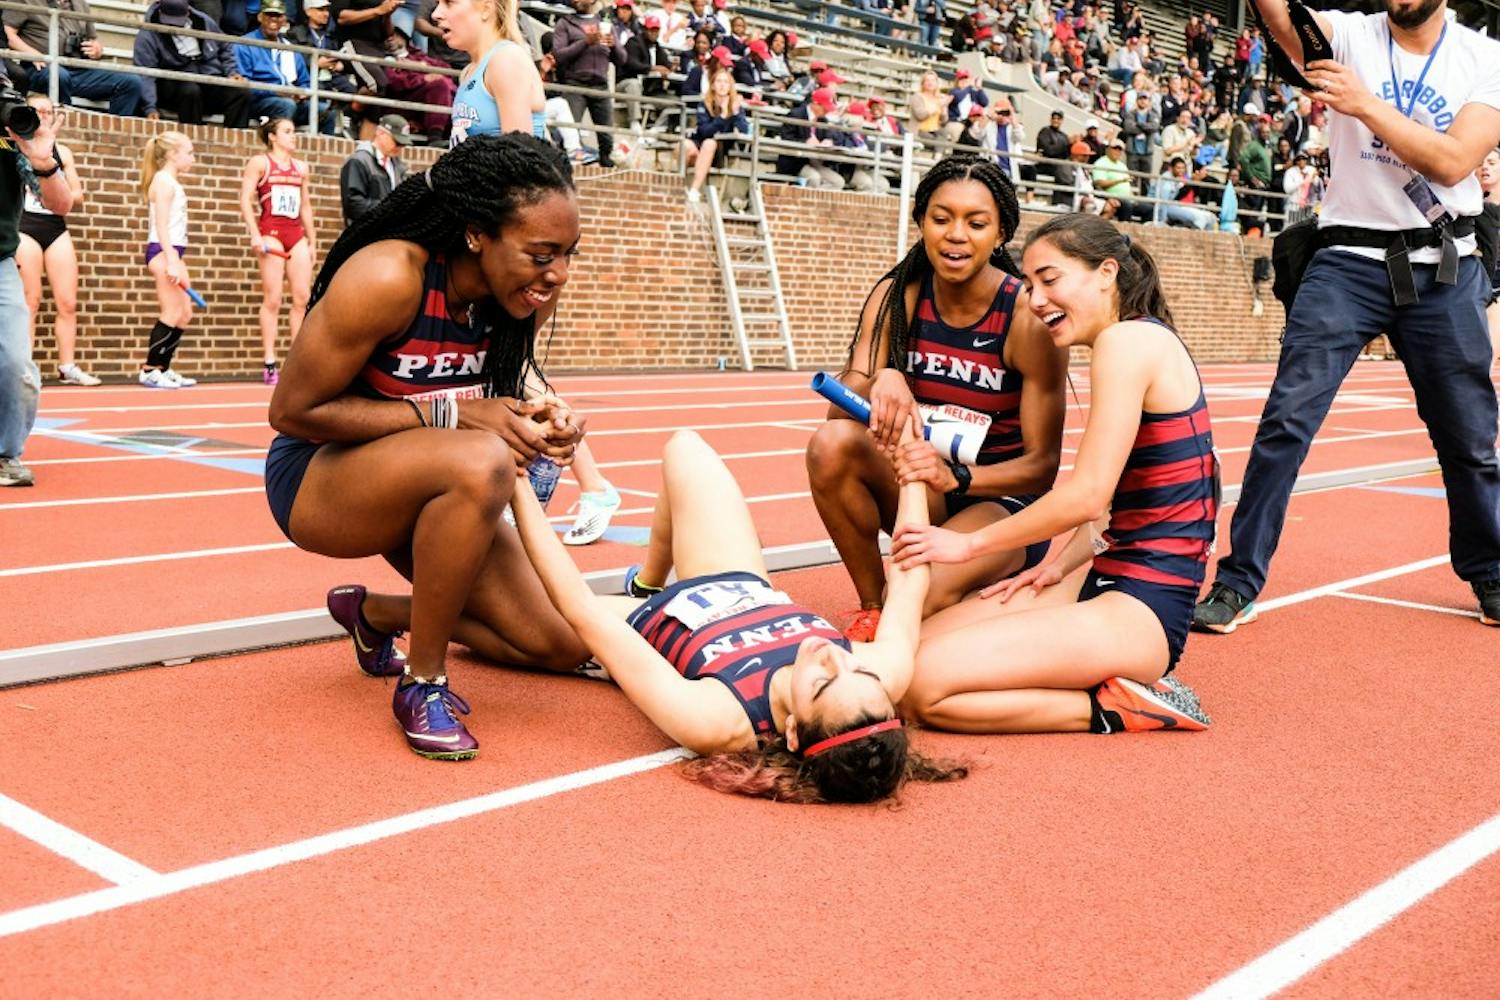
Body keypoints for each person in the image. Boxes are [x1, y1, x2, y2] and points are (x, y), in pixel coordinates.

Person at [266, 134, 590, 760]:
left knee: (560, 644)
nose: (558, 274)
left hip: (438, 476)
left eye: (568, 254)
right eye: (541, 254)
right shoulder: (389, 276)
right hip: (320, 480)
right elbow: (292, 412)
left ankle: (376, 615)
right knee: (482, 459)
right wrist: (453, 415)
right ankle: (423, 682)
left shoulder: (524, 296)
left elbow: (486, 397)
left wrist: (539, 417)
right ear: (476, 235)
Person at [1196, 0, 1500, 631]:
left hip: (1443, 266)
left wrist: (1362, 103)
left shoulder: (1486, 58)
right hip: (1347, 260)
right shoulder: (1349, 34)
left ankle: (1491, 570)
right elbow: (1283, 19)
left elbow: (1452, 160)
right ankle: (1238, 581)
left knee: (1469, 439)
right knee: (1286, 422)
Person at [511, 426, 967, 804]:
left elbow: (582, 609)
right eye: (857, 668)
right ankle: (648, 578)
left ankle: (633, 596)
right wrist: (911, 468)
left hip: (631, 623)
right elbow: (908, 575)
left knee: (485, 589)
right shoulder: (879, 683)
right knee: (686, 448)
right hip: (736, 581)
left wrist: (520, 482)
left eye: (822, 683)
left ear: (793, 732)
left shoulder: (718, 720)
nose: (832, 655)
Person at [890, 214, 1215, 737]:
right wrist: (1057, 569)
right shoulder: (1137, 341)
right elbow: (1134, 499)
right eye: (1029, 284)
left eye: (1050, 279)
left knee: (921, 688)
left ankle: (1120, 707)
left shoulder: (1127, 342)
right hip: (1101, 579)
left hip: (1140, 608)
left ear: (1106, 273)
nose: (1036, 299)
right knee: (908, 654)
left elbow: (1088, 496)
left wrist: (968, 546)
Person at [806, 154, 1068, 642]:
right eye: (941, 218)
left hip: (999, 501)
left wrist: (959, 477)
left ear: (1001, 233)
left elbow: (1042, 468)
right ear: (922, 222)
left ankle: (967, 592)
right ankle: (872, 605)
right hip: (924, 485)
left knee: (920, 600)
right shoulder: (897, 295)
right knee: (832, 444)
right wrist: (883, 376)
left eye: (976, 223)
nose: (956, 235)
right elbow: (837, 412)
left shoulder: (1024, 317)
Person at [440, 0, 622, 545]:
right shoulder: (472, 71)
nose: (438, 13)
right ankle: (579, 483)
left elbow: (523, 171)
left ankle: (577, 482)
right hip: (485, 246)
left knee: (512, 364)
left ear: (485, 6)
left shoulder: (506, 62)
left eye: (449, 1)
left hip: (514, 253)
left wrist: (510, 256)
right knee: (509, 366)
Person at [2, 82, 70, 487]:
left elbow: (60, 204)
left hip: (0, 261)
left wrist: (43, 161)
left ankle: (5, 453)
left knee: (15, 365)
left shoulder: (11, 135)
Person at [15, 95, 95, 387]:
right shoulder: (15, 146)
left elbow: (77, 196)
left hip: (55, 226)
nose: (45, 116)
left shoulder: (62, 151)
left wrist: (51, 190)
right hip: (26, 225)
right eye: (39, 111)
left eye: (49, 111)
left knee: (68, 301)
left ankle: (68, 366)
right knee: (31, 299)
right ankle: (24, 367)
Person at [241, 118, 316, 386]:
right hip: (270, 233)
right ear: (272, 136)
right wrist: (254, 234)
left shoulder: (301, 168)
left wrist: (312, 240)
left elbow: (305, 205)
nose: (293, 136)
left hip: (295, 234)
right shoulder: (260, 163)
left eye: (294, 131)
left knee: (302, 297)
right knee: (273, 298)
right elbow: (245, 199)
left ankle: (297, 361)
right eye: (287, 132)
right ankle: (270, 361)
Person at [2, 0, 143, 117]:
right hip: (40, 68)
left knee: (131, 82)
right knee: (59, 76)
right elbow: (7, 34)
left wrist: (96, 49)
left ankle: (114, 135)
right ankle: (65, 128)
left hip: (78, 70)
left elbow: (93, 40)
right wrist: (33, 54)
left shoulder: (81, 4)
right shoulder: (26, 1)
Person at [438, 0, 546, 144]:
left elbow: (519, 153)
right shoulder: (469, 71)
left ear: (486, 9)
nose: (436, 14)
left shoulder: (506, 59)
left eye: (449, 2)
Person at [138, 131, 198, 390]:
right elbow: (161, 226)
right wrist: (171, 260)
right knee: (171, 311)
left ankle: (164, 367)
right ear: (173, 155)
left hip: (173, 252)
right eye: (189, 153)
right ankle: (150, 369)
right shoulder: (163, 181)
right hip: (164, 252)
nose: (193, 159)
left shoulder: (171, 181)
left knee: (184, 314)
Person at [135, 0, 253, 128]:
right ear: (160, 12)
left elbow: (225, 45)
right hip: (174, 84)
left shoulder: (203, 20)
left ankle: (234, 136)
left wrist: (232, 72)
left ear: (188, 13)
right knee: (190, 90)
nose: (174, 25)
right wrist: (150, 107)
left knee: (241, 92)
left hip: (208, 79)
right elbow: (146, 74)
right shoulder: (148, 33)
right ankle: (193, 134)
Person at [235, 0, 337, 133]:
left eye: (278, 16)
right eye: (269, 15)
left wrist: (301, 93)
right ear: (260, 17)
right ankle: (280, 143)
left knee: (327, 112)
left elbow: (305, 82)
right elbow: (243, 85)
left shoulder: (290, 48)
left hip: (291, 101)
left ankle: (322, 147)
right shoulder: (245, 44)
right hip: (260, 101)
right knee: (286, 105)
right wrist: (275, 92)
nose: (274, 20)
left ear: (284, 20)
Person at [552, 0, 626, 169]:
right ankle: (563, 173)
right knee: (568, 134)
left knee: (607, 140)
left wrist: (614, 46)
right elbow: (558, 55)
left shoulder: (605, 24)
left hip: (600, 86)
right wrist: (586, 41)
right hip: (574, 85)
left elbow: (622, 59)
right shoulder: (564, 23)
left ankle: (606, 174)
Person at [383, 26, 457, 144]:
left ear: (404, 37)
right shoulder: (386, 60)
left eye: (395, 35)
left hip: (438, 101)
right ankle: (435, 138)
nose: (390, 39)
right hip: (404, 102)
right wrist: (423, 79)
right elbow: (395, 83)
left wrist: (422, 66)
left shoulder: (421, 57)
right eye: (387, 37)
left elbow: (447, 70)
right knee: (439, 85)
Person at [684, 64, 745, 203]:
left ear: (730, 86)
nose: (722, 85)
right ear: (712, 85)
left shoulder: (735, 105)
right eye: (719, 81)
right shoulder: (704, 104)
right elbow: (704, 131)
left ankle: (694, 190)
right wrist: (722, 117)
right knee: (685, 145)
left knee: (709, 143)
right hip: (699, 143)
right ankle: (678, 184)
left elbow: (744, 130)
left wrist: (734, 113)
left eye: (726, 82)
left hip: (720, 150)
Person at [340, 112, 412, 225]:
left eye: (402, 144)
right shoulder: (359, 161)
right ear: (380, 133)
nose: (399, 147)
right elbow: (353, 204)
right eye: (396, 142)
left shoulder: (398, 166)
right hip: (364, 231)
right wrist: (390, 209)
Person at [1479, 146, 1500, 361]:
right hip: (1474, 287)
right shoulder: (1469, 207)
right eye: (1481, 163)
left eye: (1492, 163)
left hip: (1497, 290)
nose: (1485, 167)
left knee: (1487, 355)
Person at [907, 69, 949, 139]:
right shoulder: (917, 97)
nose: (930, 83)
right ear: (923, 83)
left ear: (937, 83)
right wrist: (936, 106)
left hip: (935, 131)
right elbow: (920, 116)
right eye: (927, 80)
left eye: (933, 80)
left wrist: (944, 109)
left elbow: (944, 122)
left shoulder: (940, 98)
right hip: (920, 132)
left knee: (945, 136)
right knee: (936, 140)